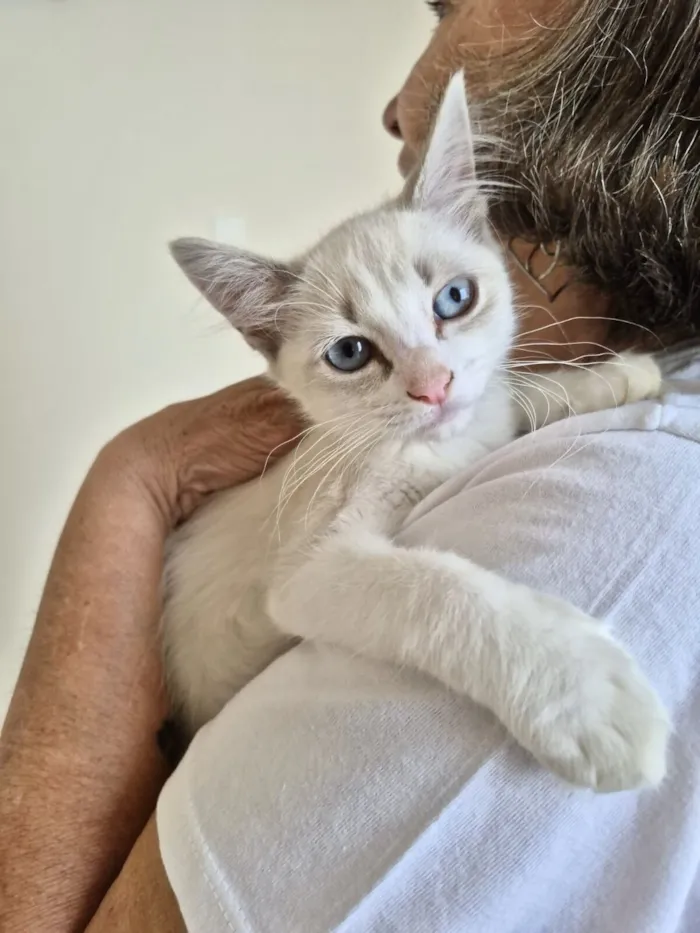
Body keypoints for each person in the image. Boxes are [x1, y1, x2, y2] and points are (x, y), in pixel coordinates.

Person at [2, 0, 699, 930]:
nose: (431, 379)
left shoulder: (637, 484)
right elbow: (314, 583)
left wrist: (561, 396)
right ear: (271, 344)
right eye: (349, 354)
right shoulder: (336, 458)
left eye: (456, 299)